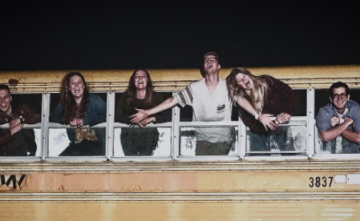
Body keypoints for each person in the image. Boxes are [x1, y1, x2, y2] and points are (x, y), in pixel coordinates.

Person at [129, 52, 257, 155]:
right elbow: (172, 101)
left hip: (223, 140)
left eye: (213, 59)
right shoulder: (195, 88)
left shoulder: (227, 86)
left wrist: (258, 115)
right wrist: (147, 112)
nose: (209, 61)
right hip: (202, 140)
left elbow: (241, 100)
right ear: (203, 67)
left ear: (218, 66)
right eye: (206, 60)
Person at [226, 67, 295, 152]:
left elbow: (288, 91)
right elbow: (251, 124)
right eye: (240, 81)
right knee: (259, 158)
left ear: (249, 74)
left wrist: (288, 112)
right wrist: (262, 119)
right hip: (259, 133)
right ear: (238, 85)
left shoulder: (266, 81)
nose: (244, 80)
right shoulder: (243, 99)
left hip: (281, 126)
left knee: (289, 155)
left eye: (244, 76)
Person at [115, 69, 171, 156]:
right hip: (128, 137)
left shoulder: (156, 97)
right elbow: (117, 116)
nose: (140, 78)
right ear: (133, 80)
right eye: (137, 76)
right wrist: (133, 120)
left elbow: (168, 116)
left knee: (145, 164)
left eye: (143, 76)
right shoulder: (125, 96)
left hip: (149, 137)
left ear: (147, 80)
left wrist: (152, 118)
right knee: (130, 164)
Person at [50, 71, 106, 156]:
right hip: (76, 145)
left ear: (83, 86)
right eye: (72, 83)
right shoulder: (64, 104)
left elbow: (108, 117)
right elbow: (52, 119)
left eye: (79, 82)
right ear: (68, 87)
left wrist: (86, 120)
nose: (76, 85)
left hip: (97, 145)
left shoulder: (96, 101)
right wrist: (67, 120)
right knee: (59, 161)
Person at [315, 81, 360, 153]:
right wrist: (345, 124)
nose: (339, 98)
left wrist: (336, 126)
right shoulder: (324, 111)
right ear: (331, 99)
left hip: (353, 154)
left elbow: (359, 138)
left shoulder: (355, 108)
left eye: (343, 95)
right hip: (329, 154)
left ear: (348, 97)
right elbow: (325, 137)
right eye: (335, 95)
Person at [0, 84, 41, 156]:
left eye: (5, 97)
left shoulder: (20, 109)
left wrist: (21, 119)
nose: (2, 101)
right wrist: (12, 131)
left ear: (10, 98)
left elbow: (39, 117)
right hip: (3, 160)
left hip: (23, 158)